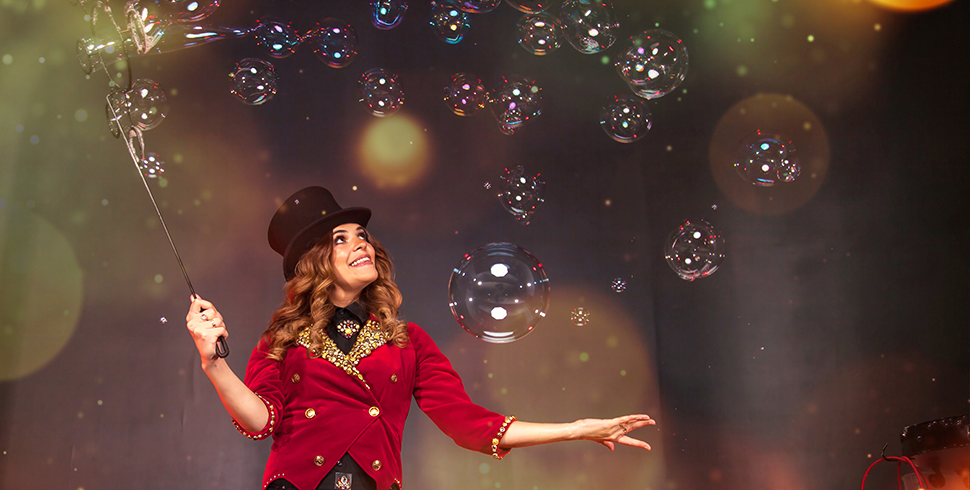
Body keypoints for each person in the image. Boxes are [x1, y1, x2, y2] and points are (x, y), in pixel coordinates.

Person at [186, 186, 655, 490]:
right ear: (313, 262)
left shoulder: (408, 341)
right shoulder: (282, 339)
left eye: (362, 235)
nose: (361, 244)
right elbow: (259, 421)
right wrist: (213, 363)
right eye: (341, 239)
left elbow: (470, 424)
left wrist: (575, 429)